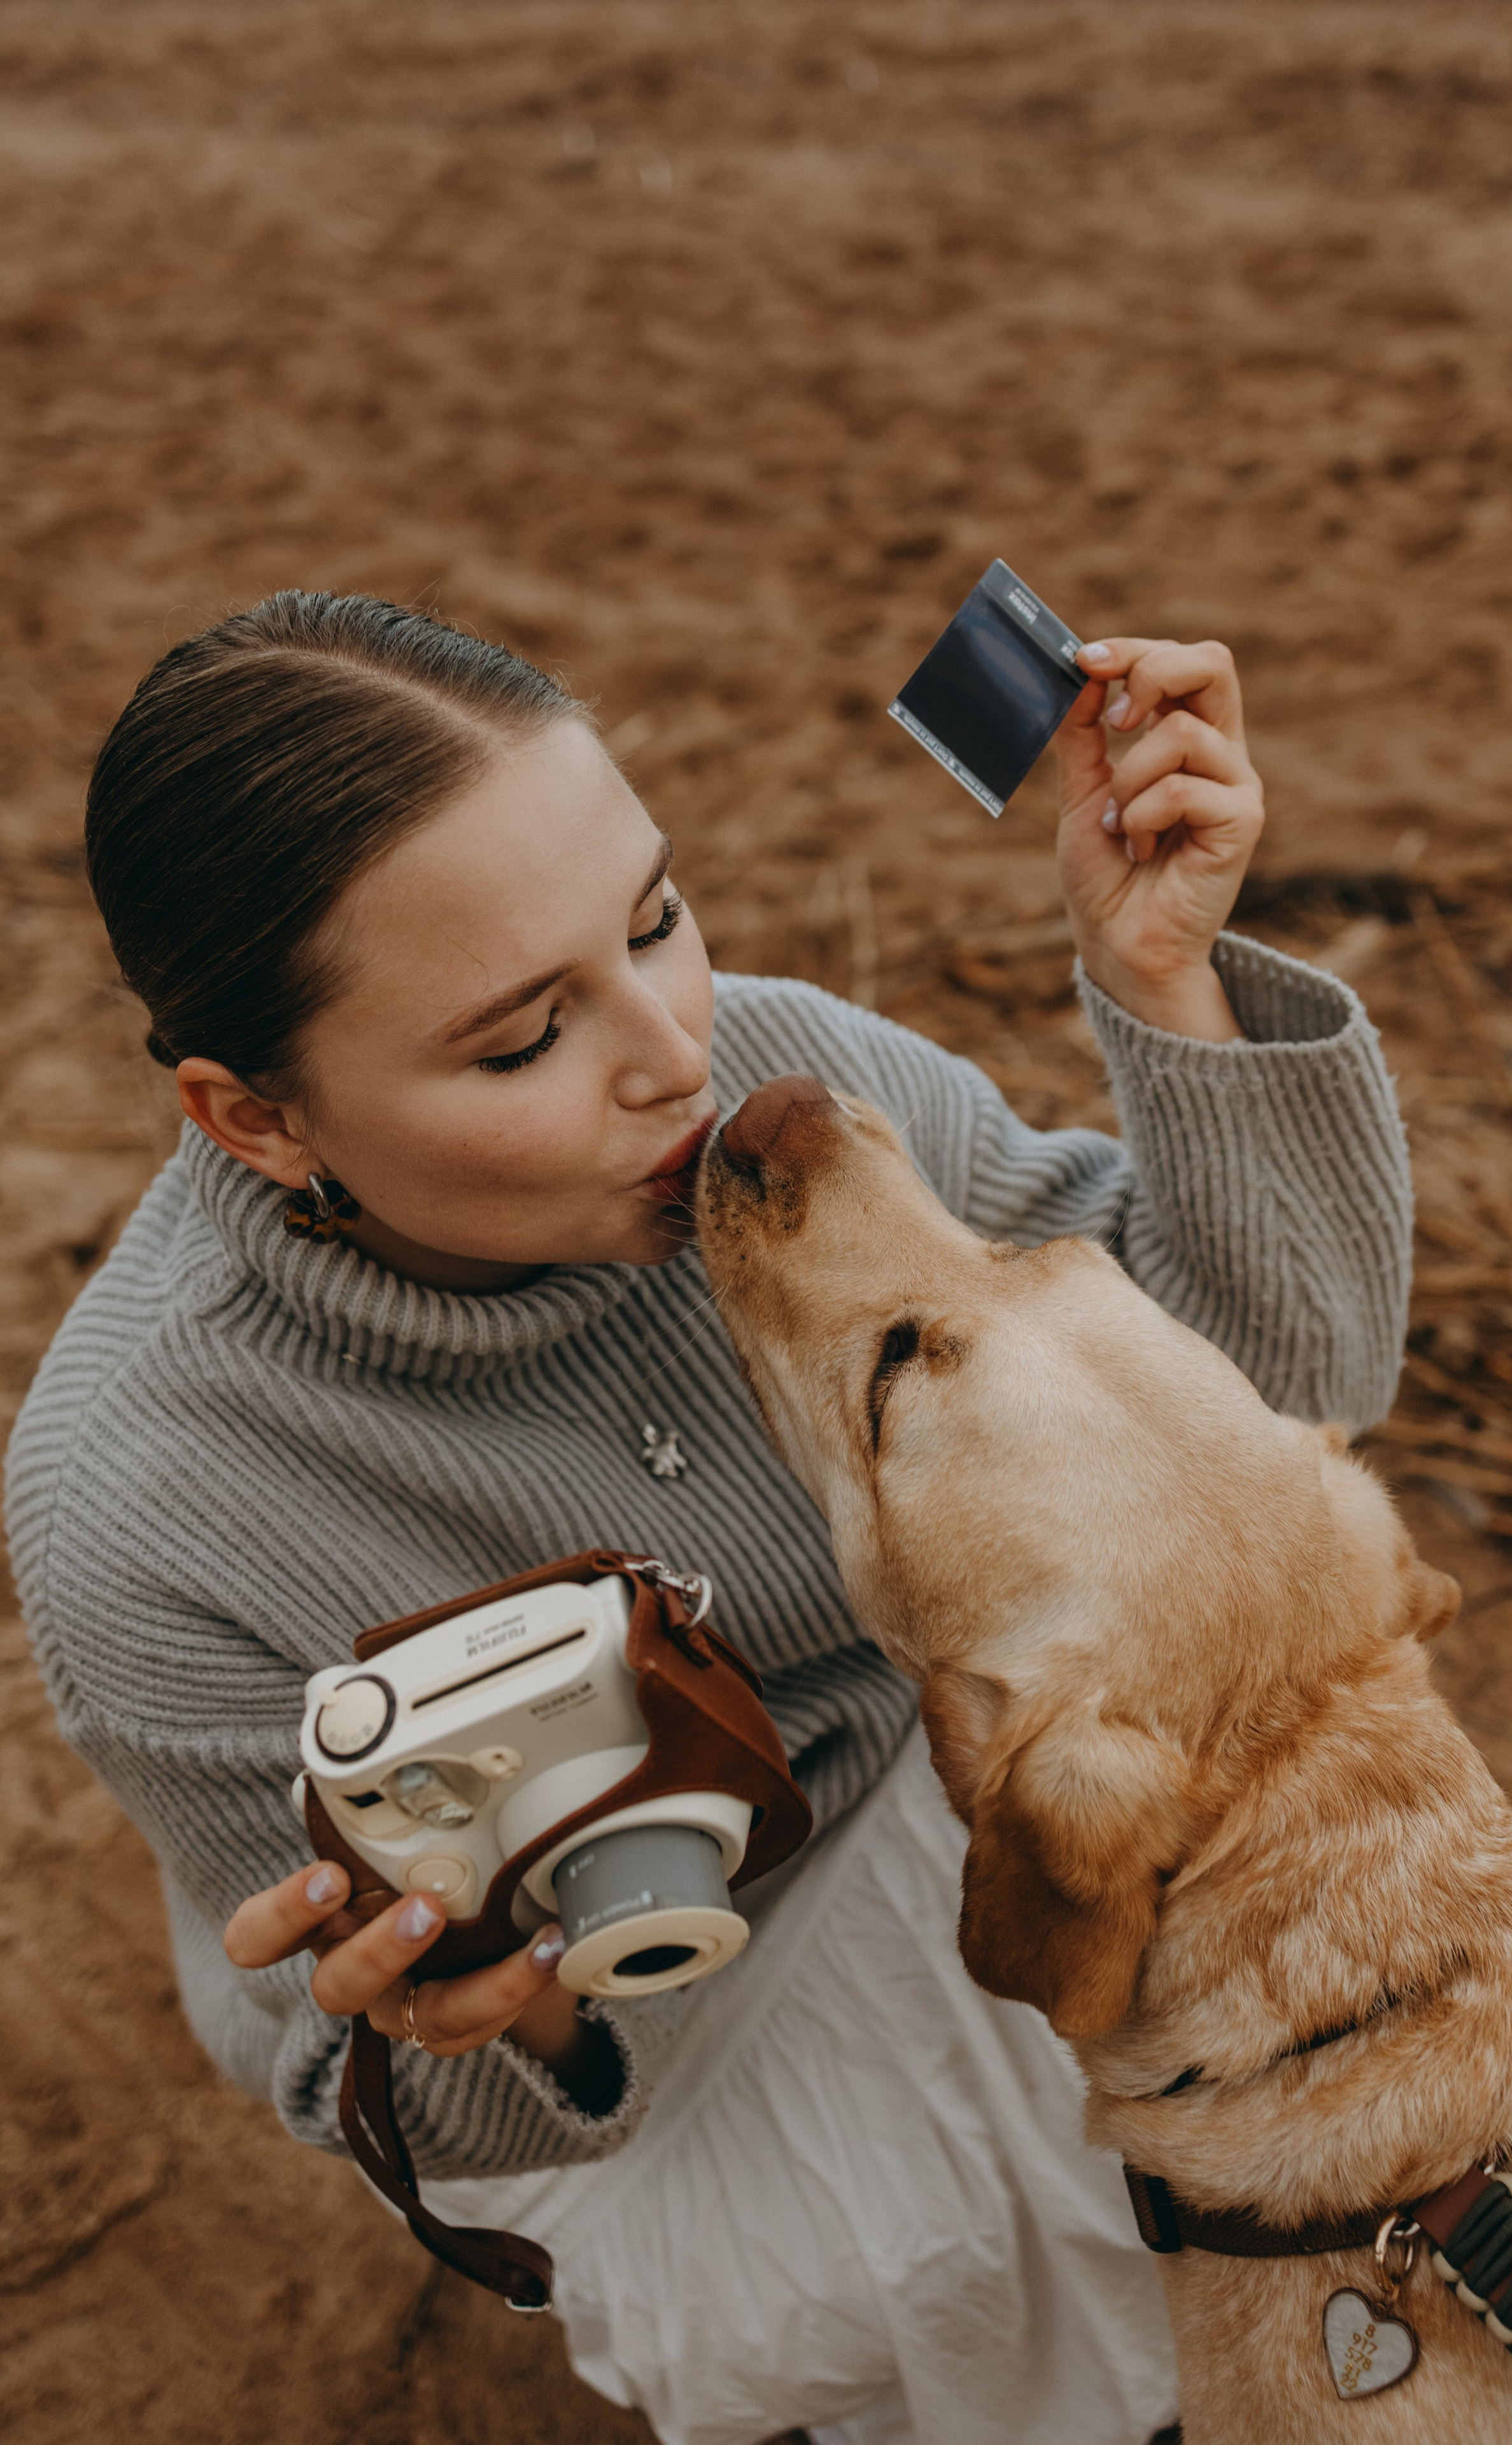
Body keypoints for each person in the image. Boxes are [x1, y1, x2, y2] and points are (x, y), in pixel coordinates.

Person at [7, 592, 1411, 2445]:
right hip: (679, 2037)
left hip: (990, 1794)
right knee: (966, 2257)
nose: (677, 1050)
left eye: (655, 920)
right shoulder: (149, 1516)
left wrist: (1160, 979)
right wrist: (499, 2024)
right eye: (522, 1043)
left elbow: (1276, 1398)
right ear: (257, 1120)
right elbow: (449, 2112)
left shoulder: (798, 1087)